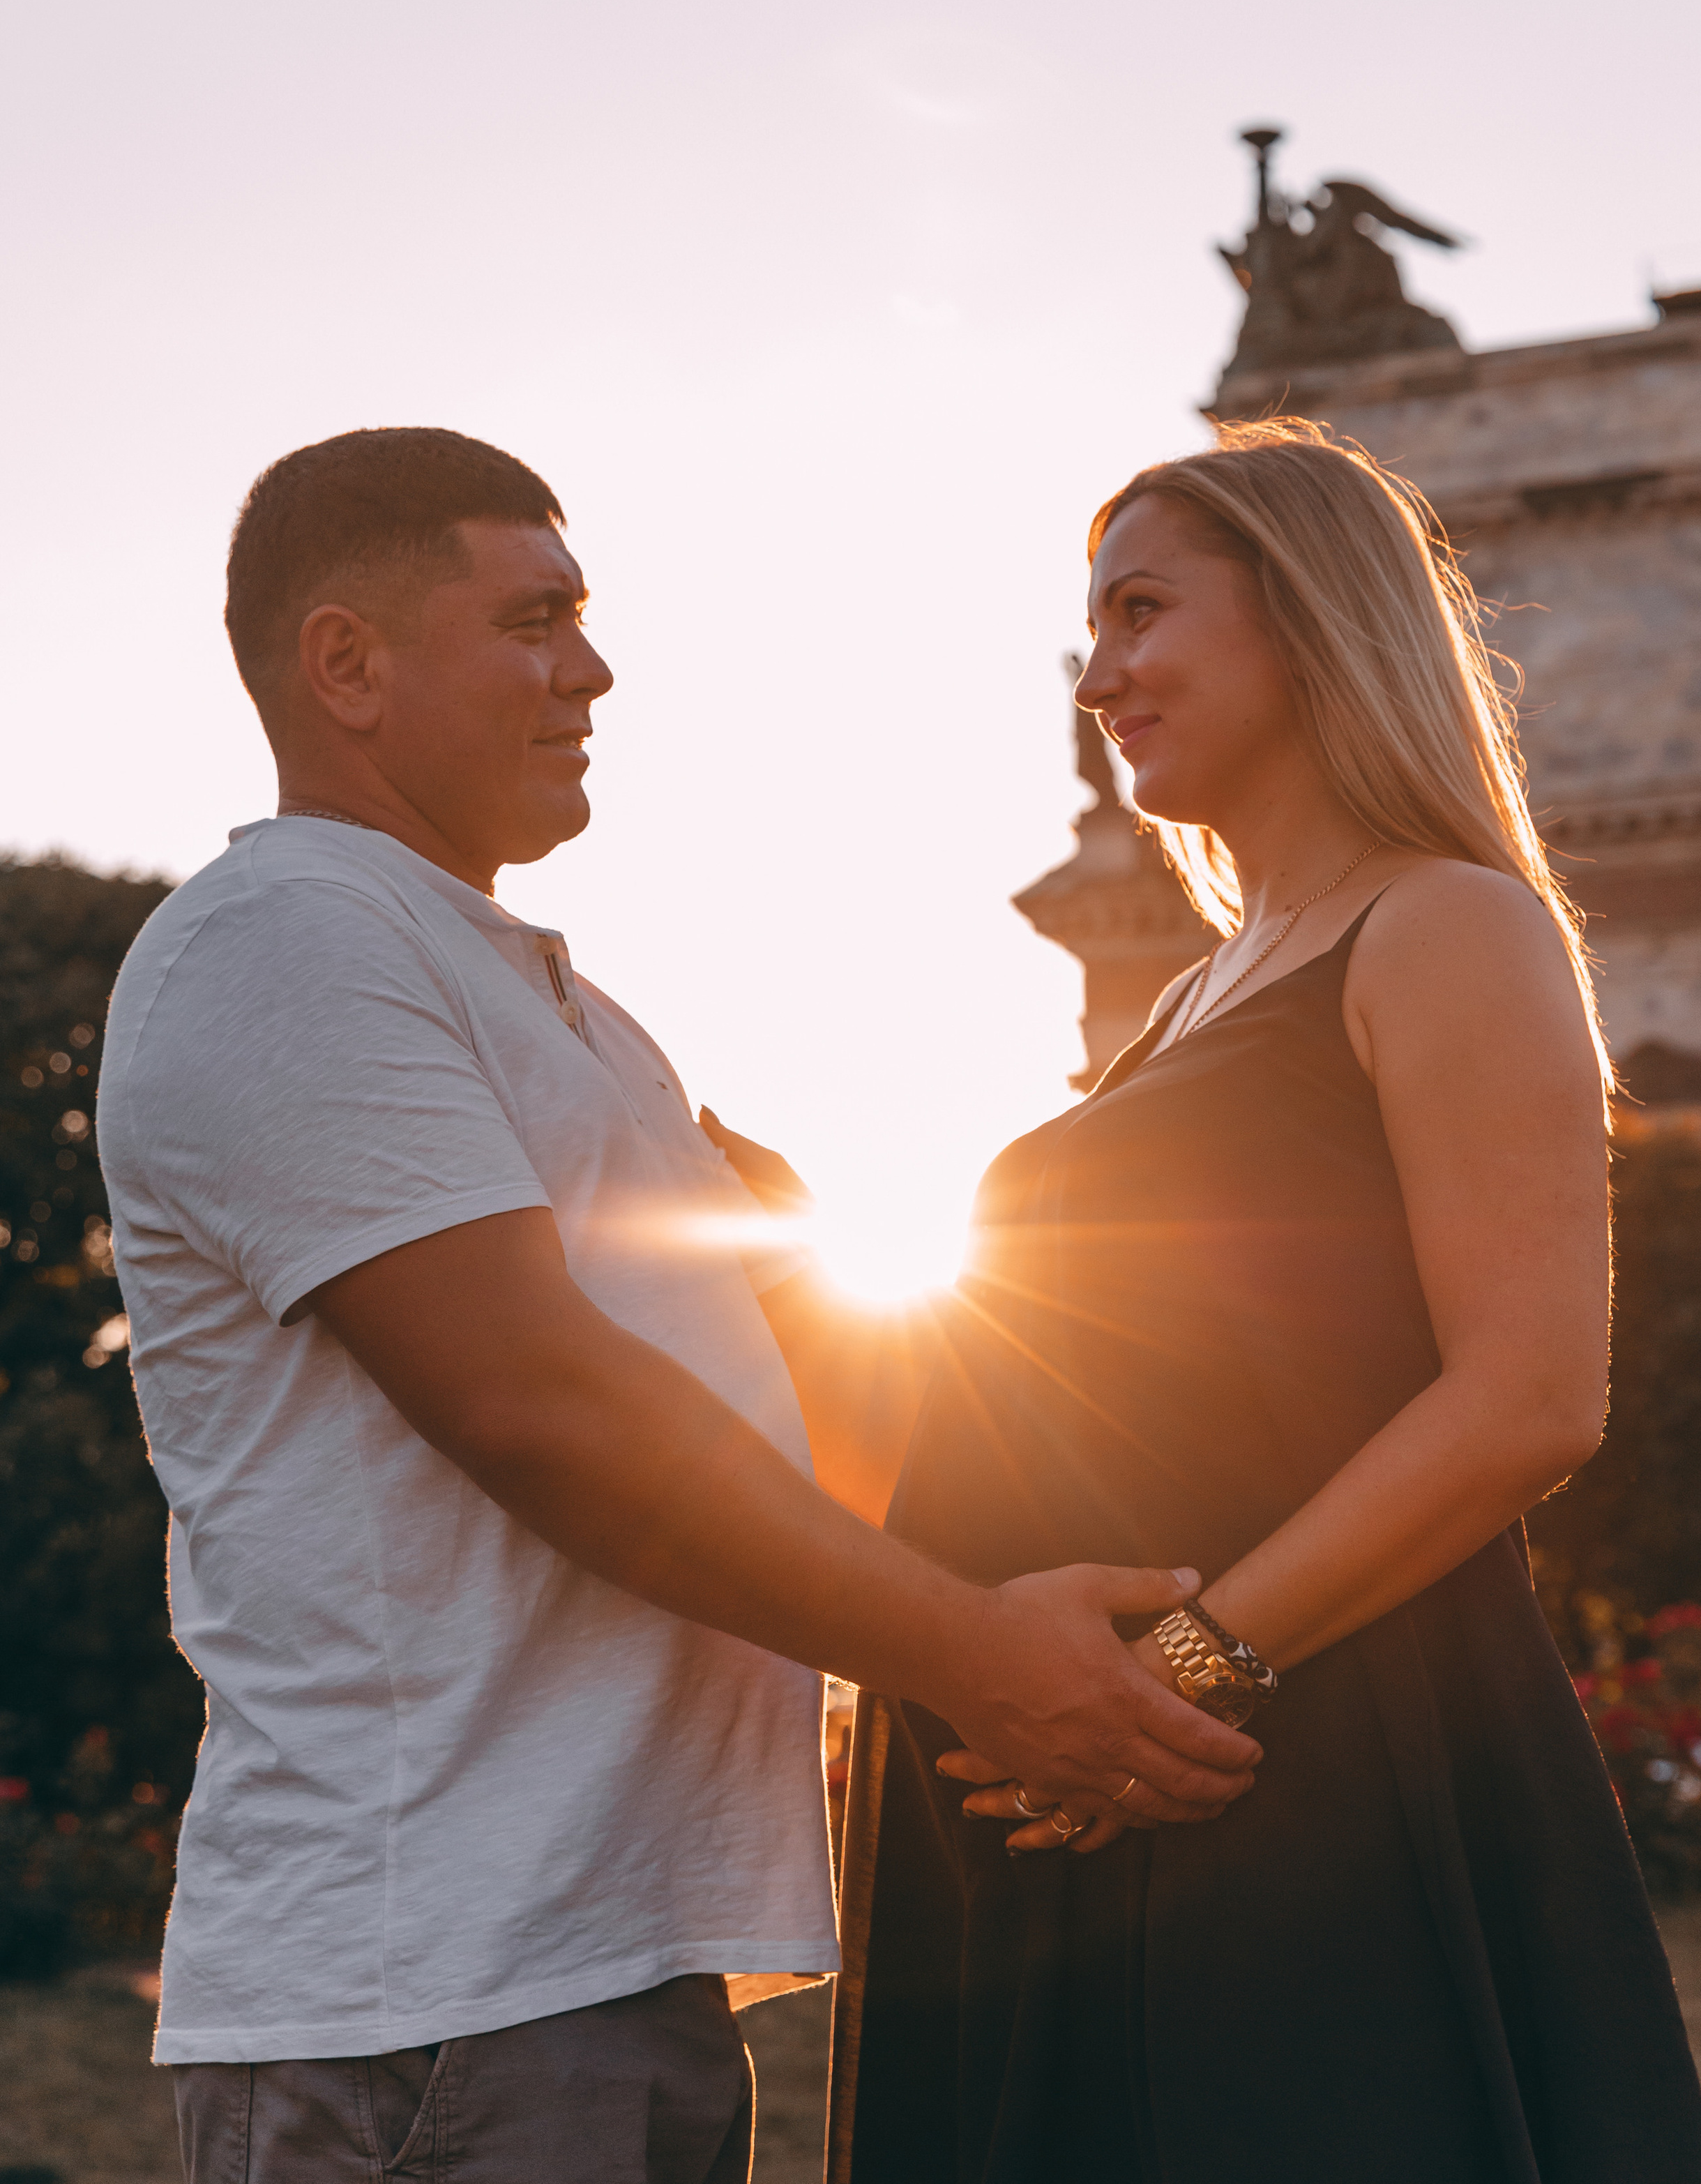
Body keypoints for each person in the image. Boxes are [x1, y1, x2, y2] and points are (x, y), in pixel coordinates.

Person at [97, 428, 1255, 2184]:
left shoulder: (579, 1020)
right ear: (346, 663)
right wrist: (980, 1663)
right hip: (428, 2003)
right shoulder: (284, 943)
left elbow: (791, 1456)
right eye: (534, 618)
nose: (592, 667)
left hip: (610, 1971)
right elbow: (538, 1410)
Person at [833, 418, 1701, 2184]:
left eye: (1141, 612)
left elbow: (1530, 1395)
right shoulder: (1195, 992)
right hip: (1108, 1776)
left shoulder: (1448, 924)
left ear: (1311, 616)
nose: (1098, 674)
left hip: (1283, 1766)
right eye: (1089, 632)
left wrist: (1177, 1670)